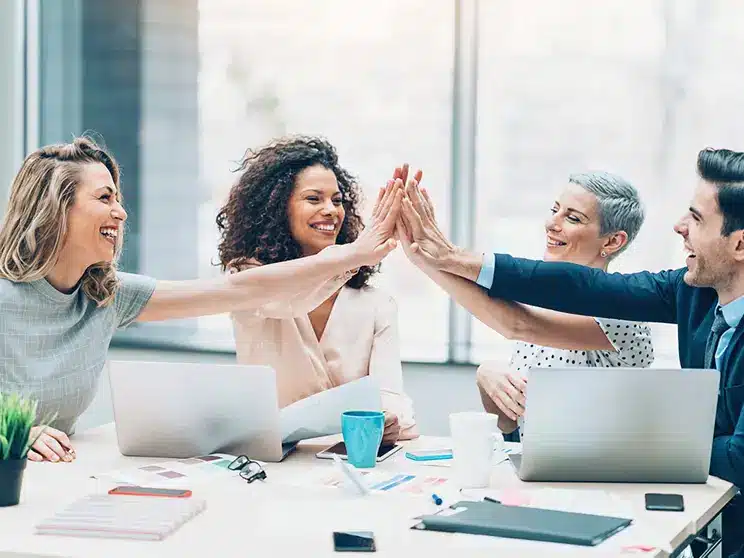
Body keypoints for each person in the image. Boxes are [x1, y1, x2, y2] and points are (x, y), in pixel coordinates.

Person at [396, 148, 744, 558]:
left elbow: (738, 458)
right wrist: (446, 257)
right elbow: (580, 287)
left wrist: (612, 441)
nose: (679, 227)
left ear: (739, 245)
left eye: (697, 218)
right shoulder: (693, 292)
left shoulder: (654, 312)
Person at [0, 136, 403, 463]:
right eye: (104, 198)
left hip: (54, 476)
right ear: (55, 208)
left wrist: (353, 254)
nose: (121, 212)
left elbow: (239, 290)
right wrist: (11, 431)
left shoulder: (107, 295)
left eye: (118, 198)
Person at [396, 168, 653, 439]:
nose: (552, 223)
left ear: (613, 241)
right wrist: (488, 379)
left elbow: (516, 323)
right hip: (541, 472)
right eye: (555, 210)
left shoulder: (625, 315)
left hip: (599, 476)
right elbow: (510, 425)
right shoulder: (544, 308)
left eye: (573, 218)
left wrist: (430, 259)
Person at [216, 137, 417, 444]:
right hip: (271, 462)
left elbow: (391, 394)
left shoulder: (376, 303)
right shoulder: (247, 278)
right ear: (277, 208)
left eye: (337, 201)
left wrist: (389, 418)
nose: (331, 211)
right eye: (314, 199)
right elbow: (287, 302)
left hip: (352, 461)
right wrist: (352, 257)